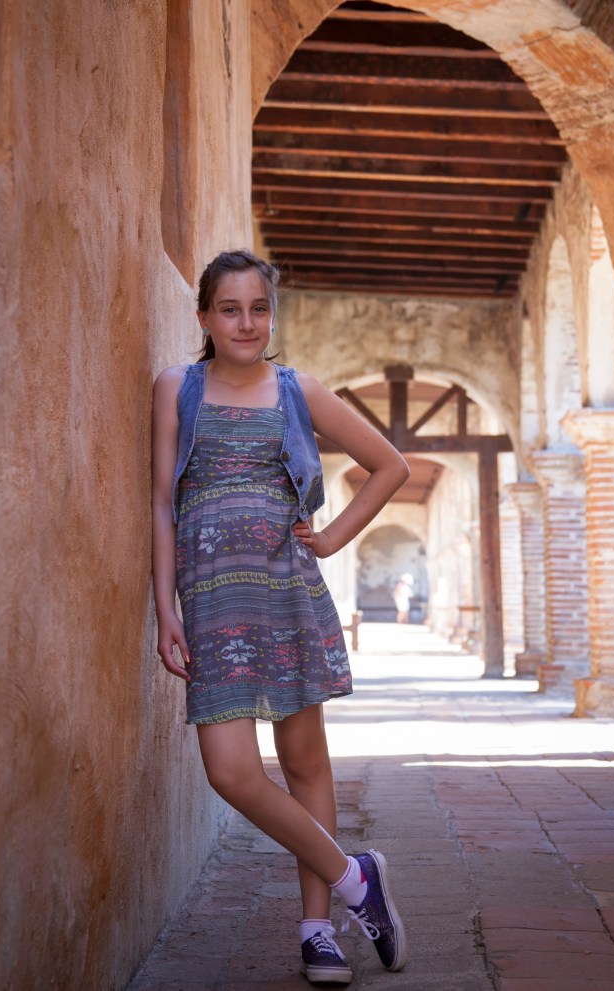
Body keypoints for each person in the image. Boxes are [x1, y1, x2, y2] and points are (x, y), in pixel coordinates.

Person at [152, 250, 410, 985]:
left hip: (287, 593)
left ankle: (317, 929)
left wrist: (331, 538)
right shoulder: (177, 388)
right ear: (204, 317)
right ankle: (357, 877)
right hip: (210, 604)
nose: (246, 323)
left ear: (272, 316)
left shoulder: (298, 390)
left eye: (258, 309)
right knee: (232, 771)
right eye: (229, 309)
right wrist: (163, 607)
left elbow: (389, 465)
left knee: (303, 763)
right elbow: (162, 503)